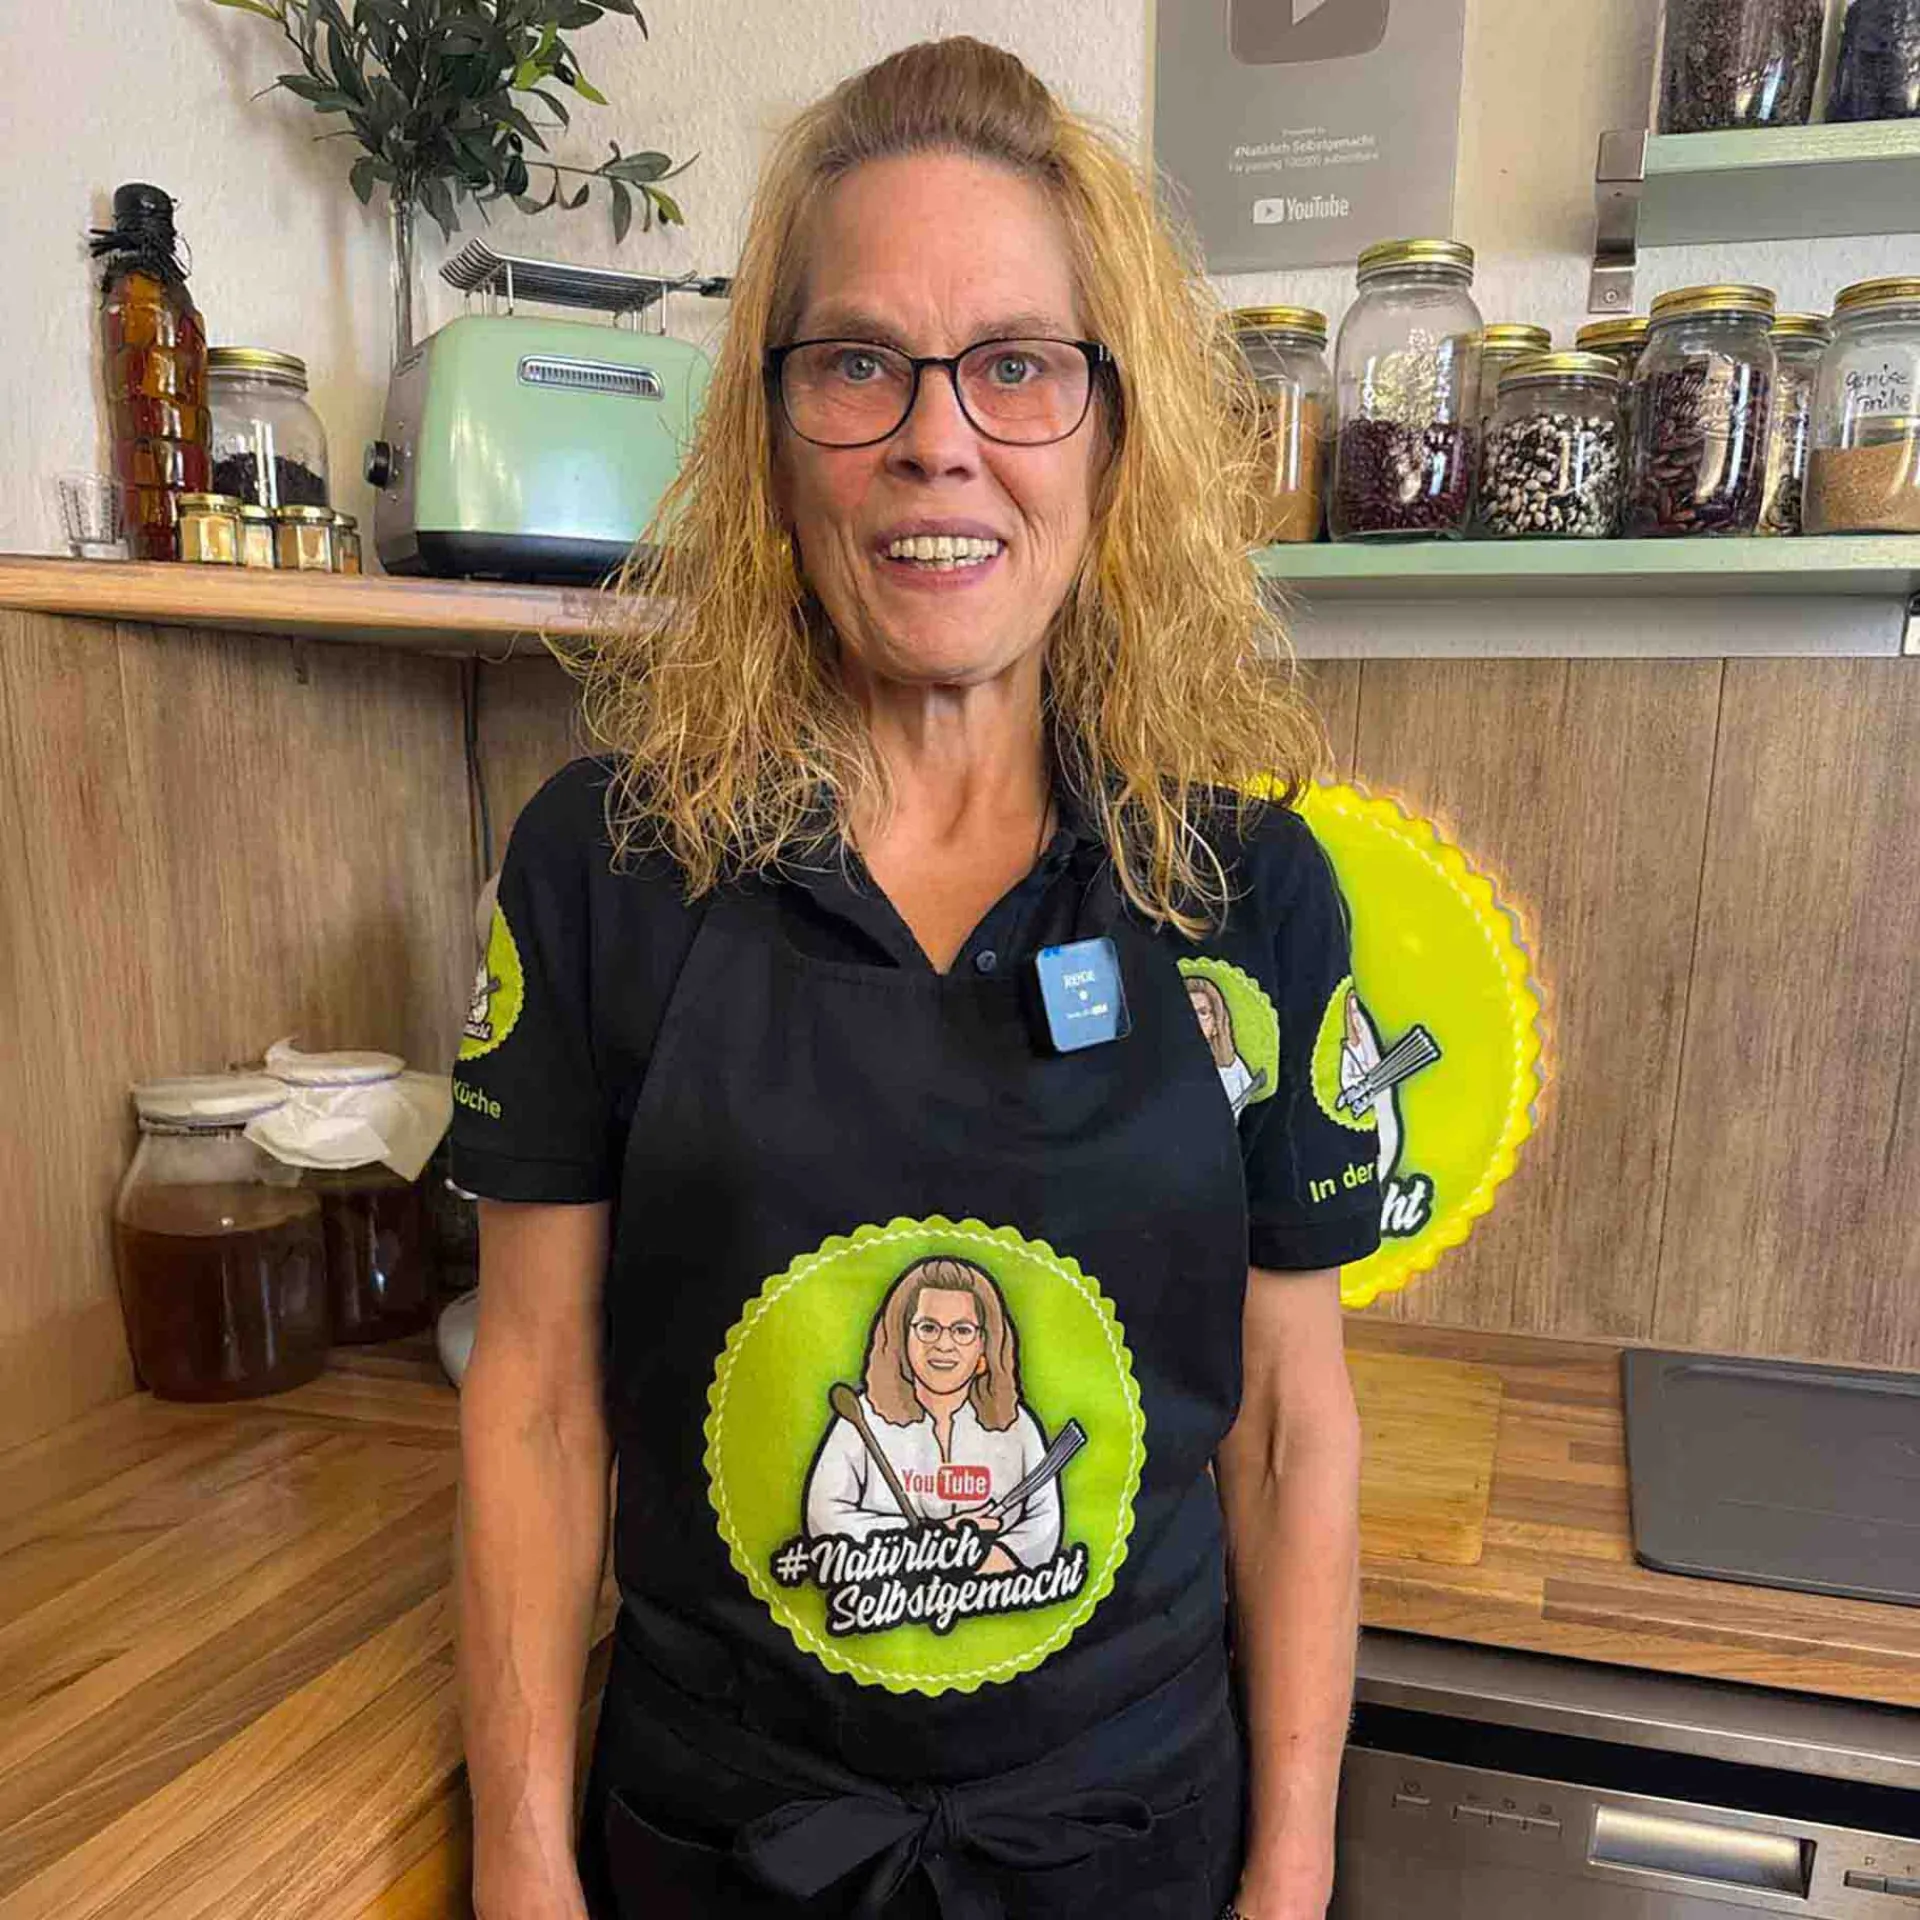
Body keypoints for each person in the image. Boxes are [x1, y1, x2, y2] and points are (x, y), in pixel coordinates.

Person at [452, 36, 1377, 1920]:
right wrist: (520, 1858)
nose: (937, 440)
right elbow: (536, 1403)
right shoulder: (602, 870)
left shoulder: (1247, 894)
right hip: (722, 1847)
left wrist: (1293, 1869)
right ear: (771, 434)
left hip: (1128, 1846)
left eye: (1018, 365)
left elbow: (1290, 1428)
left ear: (1111, 435)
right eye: (859, 363)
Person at [803, 1255, 1061, 1576]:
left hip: (991, 1592)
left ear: (985, 1345)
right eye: (928, 1328)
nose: (944, 1344)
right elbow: (824, 1517)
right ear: (901, 1338)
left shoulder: (1016, 1424)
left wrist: (998, 1556)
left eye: (962, 1330)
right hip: (886, 1595)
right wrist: (933, 1537)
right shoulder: (860, 1417)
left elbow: (1044, 1523)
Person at [1186, 973, 1266, 1118]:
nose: (1194, 1020)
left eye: (1202, 1013)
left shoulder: (1231, 1070)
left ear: (1216, 1023)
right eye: (1187, 1011)